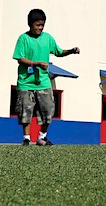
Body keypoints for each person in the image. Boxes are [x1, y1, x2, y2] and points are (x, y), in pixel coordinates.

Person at [13, 8, 80, 146]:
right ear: (30, 24)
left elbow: (59, 52)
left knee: (48, 110)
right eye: (38, 25)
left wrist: (71, 51)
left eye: (42, 24)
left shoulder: (47, 38)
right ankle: (26, 138)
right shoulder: (23, 39)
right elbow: (19, 58)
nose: (40, 27)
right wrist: (35, 63)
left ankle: (41, 137)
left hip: (43, 82)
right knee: (26, 111)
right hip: (26, 82)